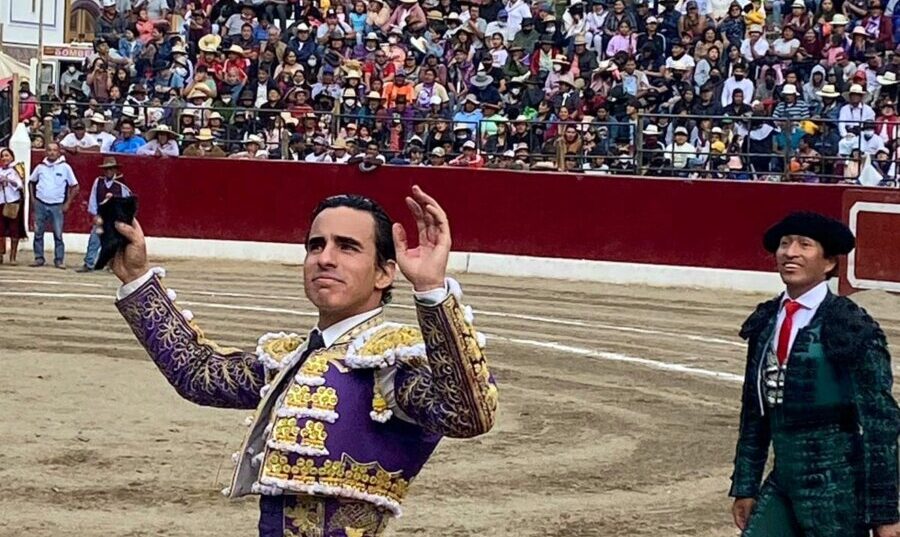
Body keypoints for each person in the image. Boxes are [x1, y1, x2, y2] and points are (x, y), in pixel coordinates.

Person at [108, 187, 498, 536]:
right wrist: (137, 278)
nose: (325, 258)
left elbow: (467, 414)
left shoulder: (392, 361)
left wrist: (431, 290)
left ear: (384, 273)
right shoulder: (292, 358)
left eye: (347, 247)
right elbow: (199, 374)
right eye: (316, 245)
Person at [730, 211, 900, 537]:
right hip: (784, 483)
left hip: (838, 489)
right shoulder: (765, 321)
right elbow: (754, 412)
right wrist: (746, 485)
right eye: (784, 243)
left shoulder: (850, 324)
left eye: (804, 245)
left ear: (828, 263)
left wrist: (884, 512)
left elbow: (880, 422)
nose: (790, 252)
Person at [28, 143, 80, 269]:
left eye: (54, 150)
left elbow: (75, 186)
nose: (52, 153)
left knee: (58, 234)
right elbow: (31, 182)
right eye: (49, 150)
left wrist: (67, 203)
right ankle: (39, 258)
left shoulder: (65, 167)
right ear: (46, 152)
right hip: (41, 203)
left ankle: (59, 260)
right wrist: (33, 199)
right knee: (38, 232)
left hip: (57, 205)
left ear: (59, 152)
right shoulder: (40, 167)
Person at [77, 157, 133, 273]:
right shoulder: (99, 181)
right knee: (94, 240)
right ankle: (89, 263)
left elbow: (127, 201)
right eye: (106, 169)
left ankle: (112, 265)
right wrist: (94, 214)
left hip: (115, 218)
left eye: (111, 169)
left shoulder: (121, 184)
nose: (108, 171)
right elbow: (93, 198)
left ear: (115, 170)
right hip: (102, 217)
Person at [0, 148, 26, 265]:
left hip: (13, 202)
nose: (5, 158)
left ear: (12, 157)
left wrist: (9, 180)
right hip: (0, 202)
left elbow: (20, 185)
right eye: (2, 156)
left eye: (7, 155)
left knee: (14, 230)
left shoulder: (17, 169)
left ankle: (12, 257)